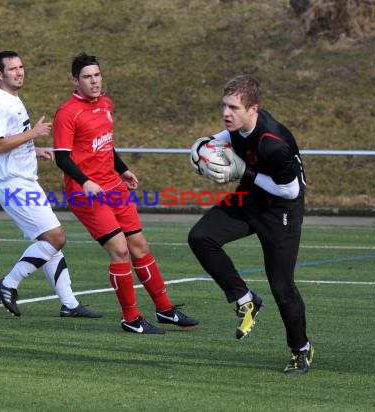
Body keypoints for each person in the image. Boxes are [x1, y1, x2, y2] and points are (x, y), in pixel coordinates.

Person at [52, 52, 199, 334]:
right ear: (75, 80)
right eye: (87, 77)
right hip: (87, 194)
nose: (94, 81)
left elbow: (104, 146)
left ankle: (165, 310)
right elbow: (62, 157)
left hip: (114, 186)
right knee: (120, 250)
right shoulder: (67, 113)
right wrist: (84, 182)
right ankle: (131, 319)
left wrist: (123, 169)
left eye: (97, 75)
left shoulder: (106, 104)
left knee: (139, 247)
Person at [188, 74, 314, 373]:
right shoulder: (237, 128)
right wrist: (203, 148)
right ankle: (246, 299)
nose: (226, 113)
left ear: (253, 109)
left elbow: (291, 191)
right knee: (200, 237)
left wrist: (244, 173)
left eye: (233, 108)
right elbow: (226, 138)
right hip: (250, 200)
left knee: (282, 288)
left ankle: (301, 349)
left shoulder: (275, 143)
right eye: (224, 106)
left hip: (280, 211)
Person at [0, 50, 101, 319]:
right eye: (12, 69)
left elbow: (10, 140)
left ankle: (69, 304)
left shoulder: (12, 98)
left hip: (25, 181)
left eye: (21, 67)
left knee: (49, 241)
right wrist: (33, 134)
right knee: (56, 237)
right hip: (14, 185)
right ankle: (8, 284)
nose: (19, 72)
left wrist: (33, 149)